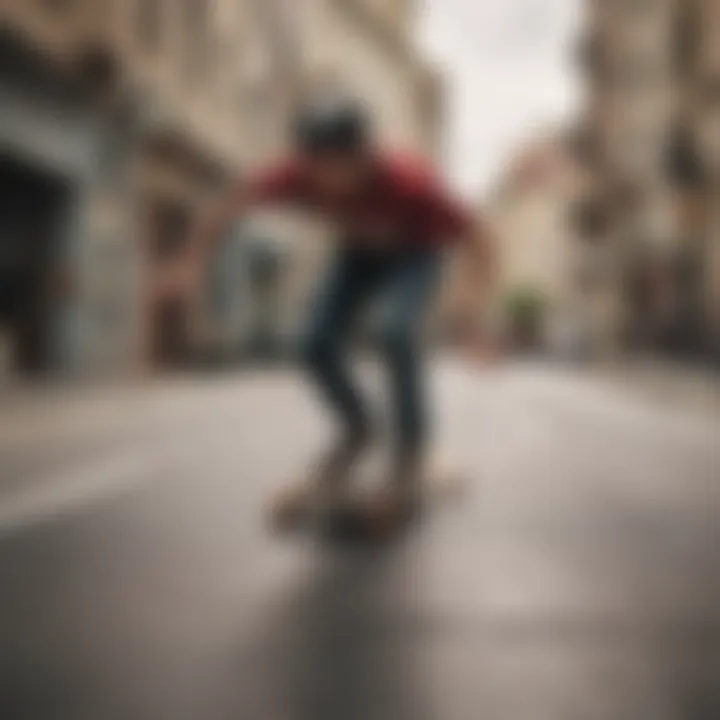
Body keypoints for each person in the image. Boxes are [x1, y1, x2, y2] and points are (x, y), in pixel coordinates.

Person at [187, 94, 495, 534]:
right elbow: (225, 207)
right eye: (319, 167)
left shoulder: (412, 183)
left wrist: (473, 311)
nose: (329, 180)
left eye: (341, 166)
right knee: (311, 341)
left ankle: (411, 448)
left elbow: (482, 239)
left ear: (363, 156)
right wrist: (191, 264)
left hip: (416, 254)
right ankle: (358, 426)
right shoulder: (292, 175)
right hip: (356, 255)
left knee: (395, 330)